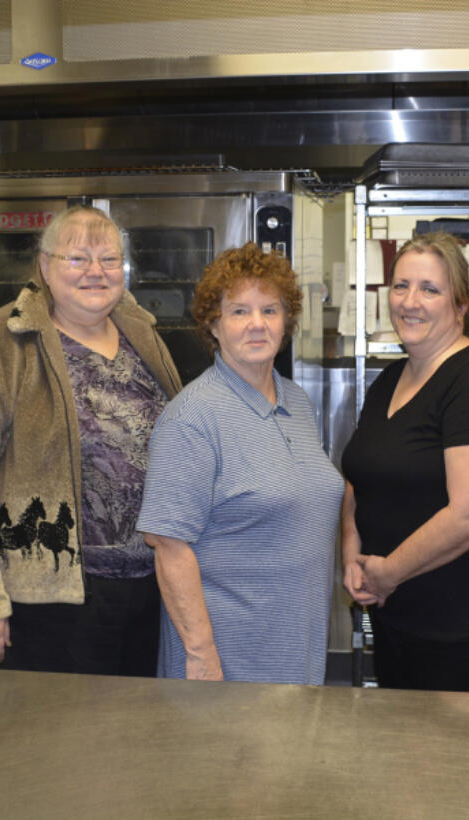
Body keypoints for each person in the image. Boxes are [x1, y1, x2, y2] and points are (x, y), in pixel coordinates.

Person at [0, 205, 181, 674]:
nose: (95, 271)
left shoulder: (143, 334)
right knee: (46, 741)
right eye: (77, 258)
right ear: (45, 267)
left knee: (138, 738)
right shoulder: (3, 342)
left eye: (109, 259)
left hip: (148, 591)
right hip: (44, 601)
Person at [137, 243, 342, 684]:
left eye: (269, 310)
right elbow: (168, 546)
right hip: (228, 660)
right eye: (239, 312)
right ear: (213, 324)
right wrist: (201, 656)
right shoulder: (192, 417)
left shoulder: (298, 402)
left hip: (296, 649)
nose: (256, 325)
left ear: (286, 322)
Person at [341, 232, 469, 693]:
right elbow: (359, 479)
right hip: (396, 613)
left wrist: (389, 572)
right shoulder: (389, 380)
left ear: (461, 304)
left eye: (430, 289)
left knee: (449, 761)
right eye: (401, 286)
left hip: (463, 627)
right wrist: (353, 558)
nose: (411, 302)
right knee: (403, 756)